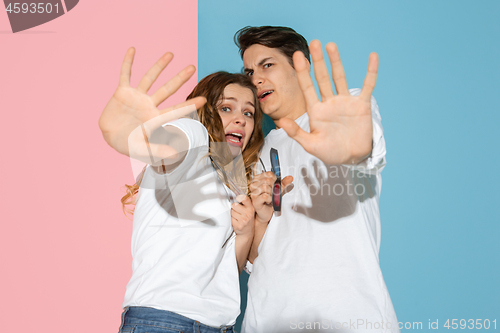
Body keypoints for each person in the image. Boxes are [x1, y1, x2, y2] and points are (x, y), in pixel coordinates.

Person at [236, 26, 400, 332]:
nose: (255, 79)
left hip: (349, 316)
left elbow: (365, 148)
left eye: (267, 65)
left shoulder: (346, 113)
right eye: (248, 71)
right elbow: (256, 259)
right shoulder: (259, 148)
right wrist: (260, 219)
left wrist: (356, 148)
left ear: (301, 65)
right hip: (268, 318)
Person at [99, 48, 265, 333]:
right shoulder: (193, 138)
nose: (240, 119)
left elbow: (225, 276)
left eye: (248, 112)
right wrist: (133, 136)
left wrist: (246, 232)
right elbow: (168, 146)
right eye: (227, 108)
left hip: (217, 326)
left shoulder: (234, 184)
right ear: (204, 113)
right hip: (162, 321)